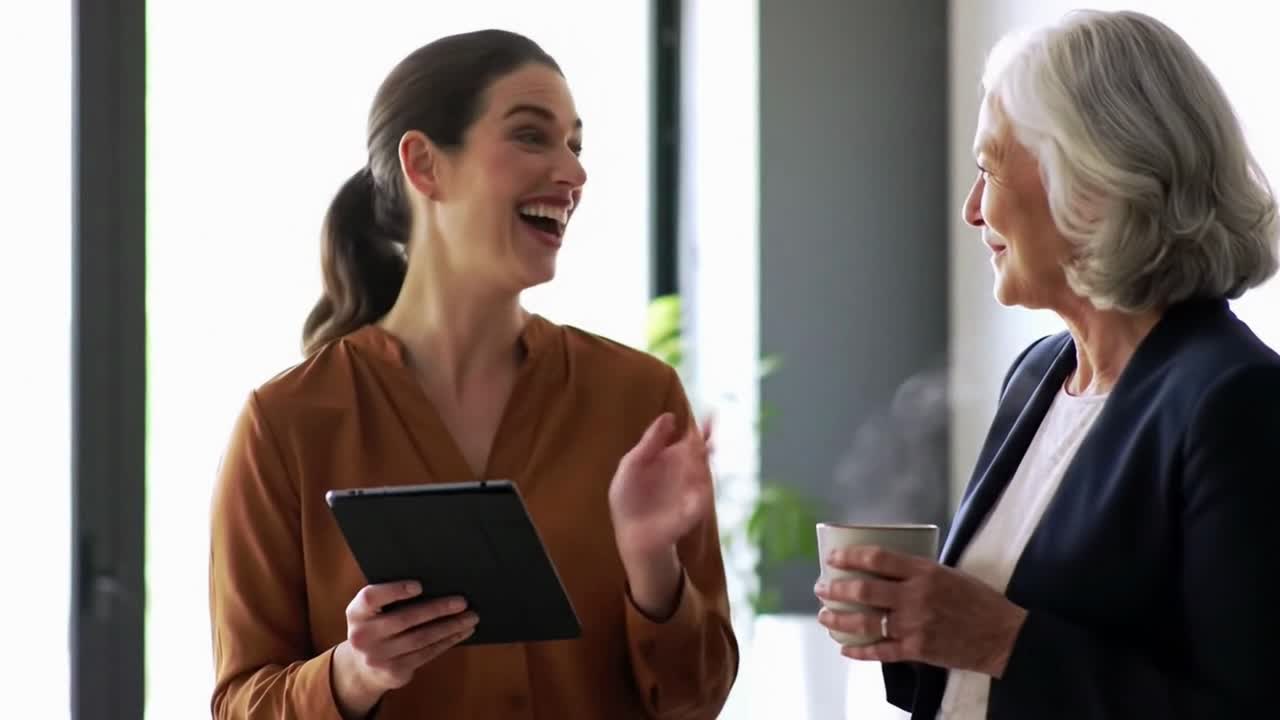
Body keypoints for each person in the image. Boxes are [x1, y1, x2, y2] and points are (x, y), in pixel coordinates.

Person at [209, 29, 737, 720]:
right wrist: (353, 674)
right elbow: (240, 702)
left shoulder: (640, 401)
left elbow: (696, 703)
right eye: (531, 137)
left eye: (575, 146)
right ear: (425, 164)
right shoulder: (284, 426)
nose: (573, 174)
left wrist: (651, 565)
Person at [814, 10, 1280, 719]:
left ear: (1093, 182)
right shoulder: (1038, 375)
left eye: (988, 168)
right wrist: (910, 625)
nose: (973, 211)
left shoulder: (1234, 401)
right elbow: (980, 672)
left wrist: (1002, 642)